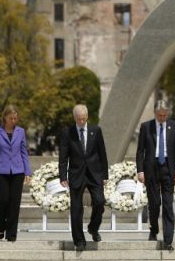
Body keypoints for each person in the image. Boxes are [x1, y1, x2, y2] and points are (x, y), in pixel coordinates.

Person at [59, 104, 109, 251]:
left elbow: (102, 153)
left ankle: (93, 228)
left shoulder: (96, 130)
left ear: (87, 117)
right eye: (78, 119)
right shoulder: (68, 133)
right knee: (76, 209)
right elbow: (63, 157)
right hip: (76, 174)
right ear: (74, 118)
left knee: (100, 202)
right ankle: (79, 241)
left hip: (95, 173)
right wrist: (63, 176)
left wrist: (105, 175)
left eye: (83, 119)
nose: (81, 122)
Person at [136, 100, 175, 251]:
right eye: (159, 115)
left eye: (164, 115)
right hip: (151, 167)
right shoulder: (146, 127)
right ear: (155, 114)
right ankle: (154, 229)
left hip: (168, 168)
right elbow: (140, 151)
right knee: (154, 203)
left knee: (168, 205)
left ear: (167, 114)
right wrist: (140, 171)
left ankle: (168, 239)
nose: (162, 118)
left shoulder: (174, 127)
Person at [0, 105, 31, 242]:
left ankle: (11, 234)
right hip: (1, 172)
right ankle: (1, 225)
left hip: (18, 171)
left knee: (14, 202)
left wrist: (27, 172)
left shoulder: (21, 132)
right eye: (11, 118)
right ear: (5, 118)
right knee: (4, 200)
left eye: (15, 118)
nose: (13, 120)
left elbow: (24, 152)